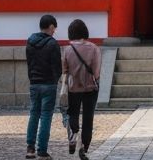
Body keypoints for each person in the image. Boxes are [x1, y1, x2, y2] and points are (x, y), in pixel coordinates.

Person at [62, 19, 101, 160]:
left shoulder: (68, 50)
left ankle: (73, 135)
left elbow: (64, 70)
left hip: (74, 87)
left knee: (73, 112)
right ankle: (84, 147)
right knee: (88, 118)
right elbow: (96, 72)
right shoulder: (94, 48)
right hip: (91, 87)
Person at [26, 13, 62, 160]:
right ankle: (42, 150)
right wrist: (55, 79)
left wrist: (32, 78)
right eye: (54, 28)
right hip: (48, 84)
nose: (54, 31)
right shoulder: (53, 44)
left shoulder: (30, 42)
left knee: (34, 114)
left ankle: (30, 148)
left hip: (34, 83)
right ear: (51, 26)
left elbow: (29, 64)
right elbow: (57, 67)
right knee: (46, 116)